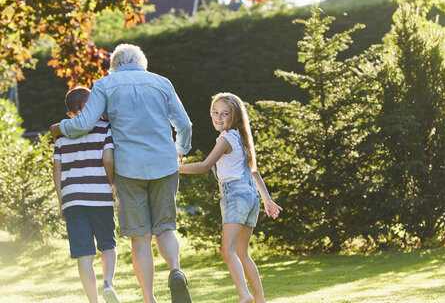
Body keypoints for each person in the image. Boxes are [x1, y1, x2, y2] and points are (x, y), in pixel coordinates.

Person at [50, 44, 193, 303]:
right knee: (165, 228)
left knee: (140, 237)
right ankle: (175, 270)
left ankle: (150, 298)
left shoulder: (105, 84)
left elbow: (84, 123)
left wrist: (59, 127)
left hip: (128, 169)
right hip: (164, 163)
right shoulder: (162, 83)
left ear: (113, 65)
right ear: (142, 62)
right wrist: (180, 150)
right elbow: (184, 124)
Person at [179, 92, 282, 303]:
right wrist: (267, 200)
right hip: (250, 197)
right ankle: (260, 299)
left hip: (235, 195)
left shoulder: (226, 138)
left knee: (228, 251)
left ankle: (245, 295)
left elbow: (204, 166)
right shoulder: (241, 137)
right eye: (215, 113)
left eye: (224, 114)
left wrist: (174, 168)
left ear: (234, 117)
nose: (218, 117)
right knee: (242, 252)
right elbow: (253, 172)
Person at [53, 86, 120, 303]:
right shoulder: (104, 128)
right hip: (99, 193)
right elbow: (108, 159)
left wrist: (61, 201)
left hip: (72, 198)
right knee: (107, 244)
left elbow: (57, 170)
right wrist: (111, 185)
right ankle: (108, 283)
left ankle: (93, 300)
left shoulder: (61, 136)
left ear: (69, 115)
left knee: (84, 252)